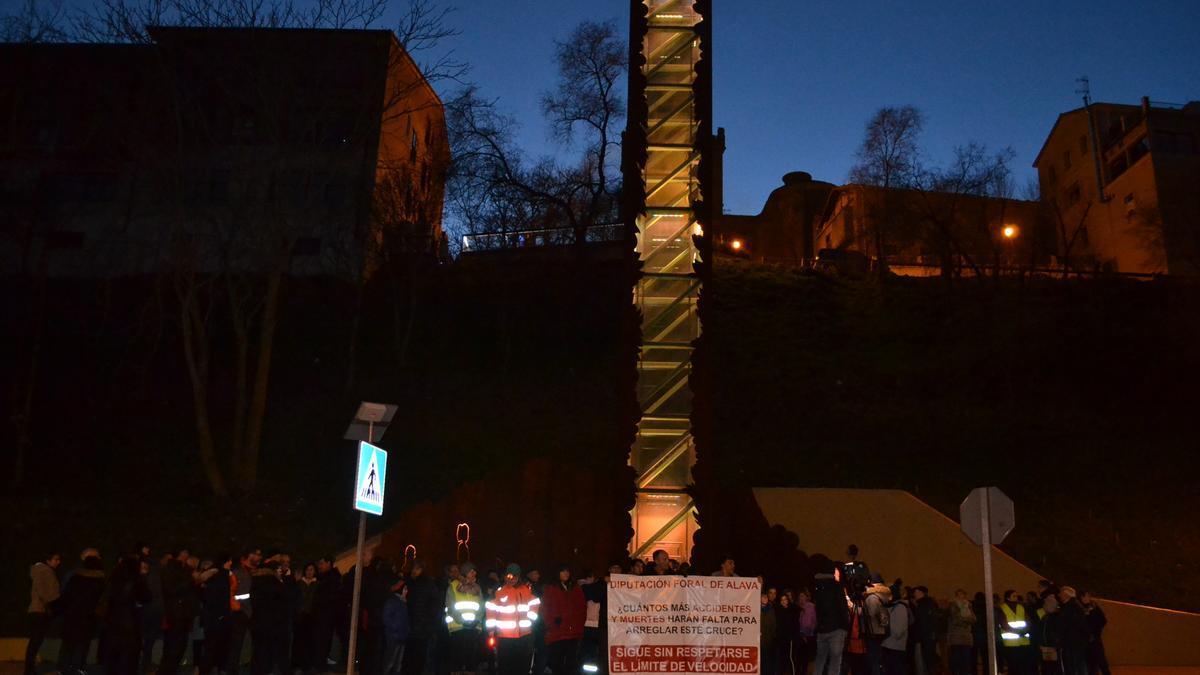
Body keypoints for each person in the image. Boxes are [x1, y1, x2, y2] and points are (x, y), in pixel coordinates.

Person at [485, 564, 540, 675]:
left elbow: (535, 602)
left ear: (519, 577)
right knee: (505, 666)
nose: (512, 579)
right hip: (504, 637)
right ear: (505, 576)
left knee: (521, 666)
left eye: (515, 576)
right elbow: (491, 610)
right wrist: (491, 631)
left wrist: (531, 620)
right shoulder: (499, 591)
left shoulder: (526, 590)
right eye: (509, 576)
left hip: (523, 636)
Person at [58, 551, 106, 675]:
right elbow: (102, 600)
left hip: (72, 615)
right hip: (88, 617)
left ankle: (63, 668)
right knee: (82, 644)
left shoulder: (75, 577)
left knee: (69, 642)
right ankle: (78, 667)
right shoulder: (100, 580)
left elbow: (65, 596)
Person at [105, 553, 152, 675]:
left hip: (113, 622)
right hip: (130, 622)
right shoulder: (136, 580)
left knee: (114, 655)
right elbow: (146, 596)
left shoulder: (114, 579)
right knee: (129, 656)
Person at [159, 548, 198, 675]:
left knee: (179, 645)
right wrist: (191, 579)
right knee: (174, 645)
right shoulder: (171, 569)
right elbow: (173, 589)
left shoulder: (183, 569)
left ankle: (170, 669)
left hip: (183, 613)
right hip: (176, 614)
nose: (187, 556)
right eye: (185, 553)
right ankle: (167, 670)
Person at [542, 565, 586, 675]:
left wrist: (579, 624)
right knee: (557, 663)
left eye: (567, 571)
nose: (566, 573)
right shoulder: (550, 588)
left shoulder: (575, 588)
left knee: (571, 664)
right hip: (558, 633)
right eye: (563, 571)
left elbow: (582, 608)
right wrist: (552, 623)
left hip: (573, 632)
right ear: (557, 573)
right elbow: (545, 608)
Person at [25, 551, 62, 675]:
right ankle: (29, 670)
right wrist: (51, 602)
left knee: (35, 641)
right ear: (48, 560)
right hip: (40, 610)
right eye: (55, 559)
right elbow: (44, 591)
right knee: (35, 641)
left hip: (37, 610)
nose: (58, 562)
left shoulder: (39, 571)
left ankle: (29, 669)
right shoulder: (45, 571)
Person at [249, 560, 289, 675]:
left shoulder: (255, 581)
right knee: (270, 654)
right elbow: (284, 604)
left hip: (257, 624)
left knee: (258, 653)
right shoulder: (276, 584)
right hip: (274, 625)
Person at [811, 557, 848, 675]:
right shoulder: (837, 586)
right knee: (835, 661)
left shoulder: (817, 586)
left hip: (822, 629)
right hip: (836, 629)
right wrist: (845, 626)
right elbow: (842, 607)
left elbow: (817, 608)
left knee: (820, 660)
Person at [445, 561, 484, 675]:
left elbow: (481, 606)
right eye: (472, 572)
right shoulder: (453, 586)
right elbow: (451, 607)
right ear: (465, 573)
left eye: (474, 572)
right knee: (457, 661)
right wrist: (462, 621)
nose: (474, 574)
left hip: (473, 628)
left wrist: (477, 620)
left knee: (471, 662)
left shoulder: (477, 588)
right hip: (458, 628)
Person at [198, 554, 233, 675]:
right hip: (219, 617)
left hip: (211, 616)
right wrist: (222, 615)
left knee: (210, 646)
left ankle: (208, 669)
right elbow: (221, 597)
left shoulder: (211, 575)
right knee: (218, 646)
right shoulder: (222, 575)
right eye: (230, 562)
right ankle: (216, 669)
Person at [313, 557, 342, 673]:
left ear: (329, 563)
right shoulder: (324, 578)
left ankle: (320, 664)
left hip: (325, 616)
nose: (319, 566)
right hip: (323, 616)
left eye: (322, 563)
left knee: (323, 641)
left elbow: (328, 598)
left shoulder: (331, 579)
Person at [293, 563, 319, 673]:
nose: (309, 572)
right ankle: (298, 663)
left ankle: (308, 664)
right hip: (301, 616)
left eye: (311, 570)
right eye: (308, 570)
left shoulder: (317, 584)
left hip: (312, 616)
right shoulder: (299, 584)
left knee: (310, 640)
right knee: (299, 640)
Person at [1056, 587, 1089, 675]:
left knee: (1071, 666)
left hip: (1070, 642)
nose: (1059, 596)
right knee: (1080, 664)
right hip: (1078, 642)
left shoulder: (1068, 608)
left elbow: (1063, 626)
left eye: (1061, 594)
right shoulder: (1077, 606)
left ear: (1065, 595)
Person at [862, 575, 891, 675]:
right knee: (878, 658)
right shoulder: (882, 596)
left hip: (873, 631)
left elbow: (870, 613)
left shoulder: (872, 598)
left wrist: (858, 609)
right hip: (880, 631)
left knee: (873, 659)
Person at [383, 580, 410, 675]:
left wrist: (406, 630)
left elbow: (405, 620)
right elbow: (386, 618)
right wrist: (396, 628)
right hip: (394, 637)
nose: (406, 591)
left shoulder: (403, 603)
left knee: (398, 664)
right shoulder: (393, 601)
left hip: (402, 637)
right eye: (405, 589)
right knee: (390, 661)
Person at [1080, 591, 1110, 675]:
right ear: (1082, 597)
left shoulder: (1094, 606)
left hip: (1095, 639)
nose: (1089, 598)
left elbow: (1103, 620)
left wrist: (1096, 631)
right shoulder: (1080, 608)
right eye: (1087, 596)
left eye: (1089, 596)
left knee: (1101, 662)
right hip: (1086, 640)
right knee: (1091, 664)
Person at [946, 590, 975, 675]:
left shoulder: (968, 606)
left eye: (963, 596)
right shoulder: (953, 606)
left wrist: (966, 620)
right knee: (956, 658)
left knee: (966, 659)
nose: (962, 598)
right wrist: (967, 621)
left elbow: (973, 619)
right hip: (956, 636)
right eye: (960, 596)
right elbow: (956, 620)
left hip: (966, 637)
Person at [909, 587, 937, 675]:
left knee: (921, 663)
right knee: (928, 662)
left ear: (922, 593)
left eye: (916, 592)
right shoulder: (929, 604)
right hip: (928, 638)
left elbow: (921, 623)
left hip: (922, 639)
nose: (914, 594)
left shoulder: (922, 605)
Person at [881, 592, 909, 675]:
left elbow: (899, 631)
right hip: (887, 646)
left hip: (896, 648)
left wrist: (887, 625)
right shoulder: (889, 607)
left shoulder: (900, 608)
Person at [775, 591, 797, 675]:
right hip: (780, 639)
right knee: (782, 659)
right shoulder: (778, 611)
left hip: (789, 639)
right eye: (782, 600)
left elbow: (794, 625)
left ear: (788, 600)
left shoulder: (791, 611)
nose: (784, 601)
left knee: (790, 658)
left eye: (785, 599)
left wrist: (792, 637)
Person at [795, 590, 816, 675]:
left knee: (805, 657)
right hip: (798, 635)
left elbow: (814, 621)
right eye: (800, 596)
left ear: (806, 597)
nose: (801, 598)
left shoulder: (811, 606)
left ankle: (804, 672)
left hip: (808, 636)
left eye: (803, 596)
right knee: (798, 657)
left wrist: (810, 632)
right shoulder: (796, 607)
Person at [760, 593, 778, 675]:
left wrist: (772, 635)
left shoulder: (771, 609)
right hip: (759, 639)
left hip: (768, 639)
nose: (764, 599)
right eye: (762, 597)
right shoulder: (756, 608)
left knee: (767, 659)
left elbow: (774, 624)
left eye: (765, 597)